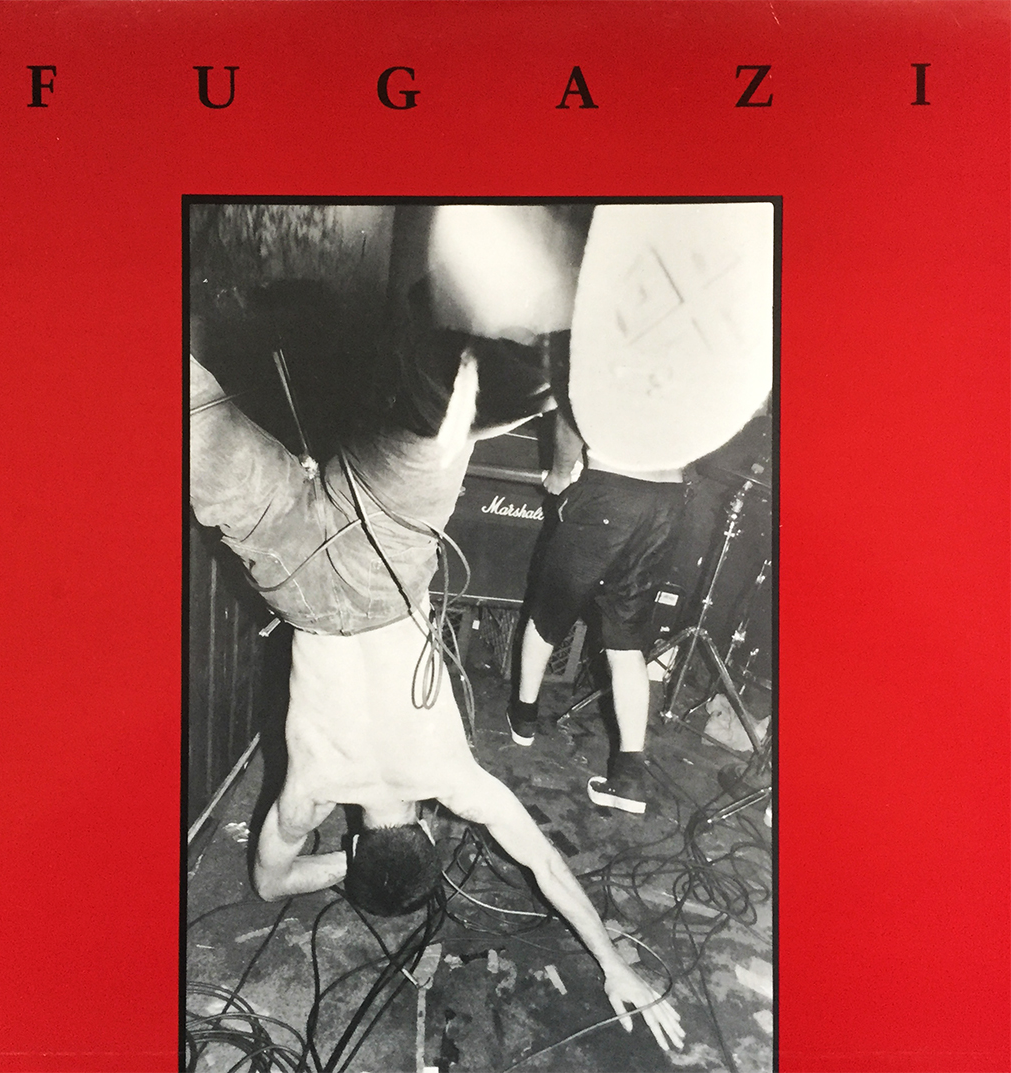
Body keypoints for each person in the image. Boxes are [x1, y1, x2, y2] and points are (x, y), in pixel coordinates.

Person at [189, 333, 685, 1052]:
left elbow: (546, 865)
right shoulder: (310, 796)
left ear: (424, 831)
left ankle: (522, 345)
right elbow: (271, 883)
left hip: (385, 560)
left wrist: (615, 963)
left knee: (454, 403)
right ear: (357, 843)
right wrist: (356, 871)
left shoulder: (453, 780)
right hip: (290, 569)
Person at [509, 396, 686, 816]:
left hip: (612, 489)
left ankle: (524, 719)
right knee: (627, 639)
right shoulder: (681, 363)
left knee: (548, 612)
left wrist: (559, 474)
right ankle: (629, 779)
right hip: (668, 500)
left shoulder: (605, 356)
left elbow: (570, 416)